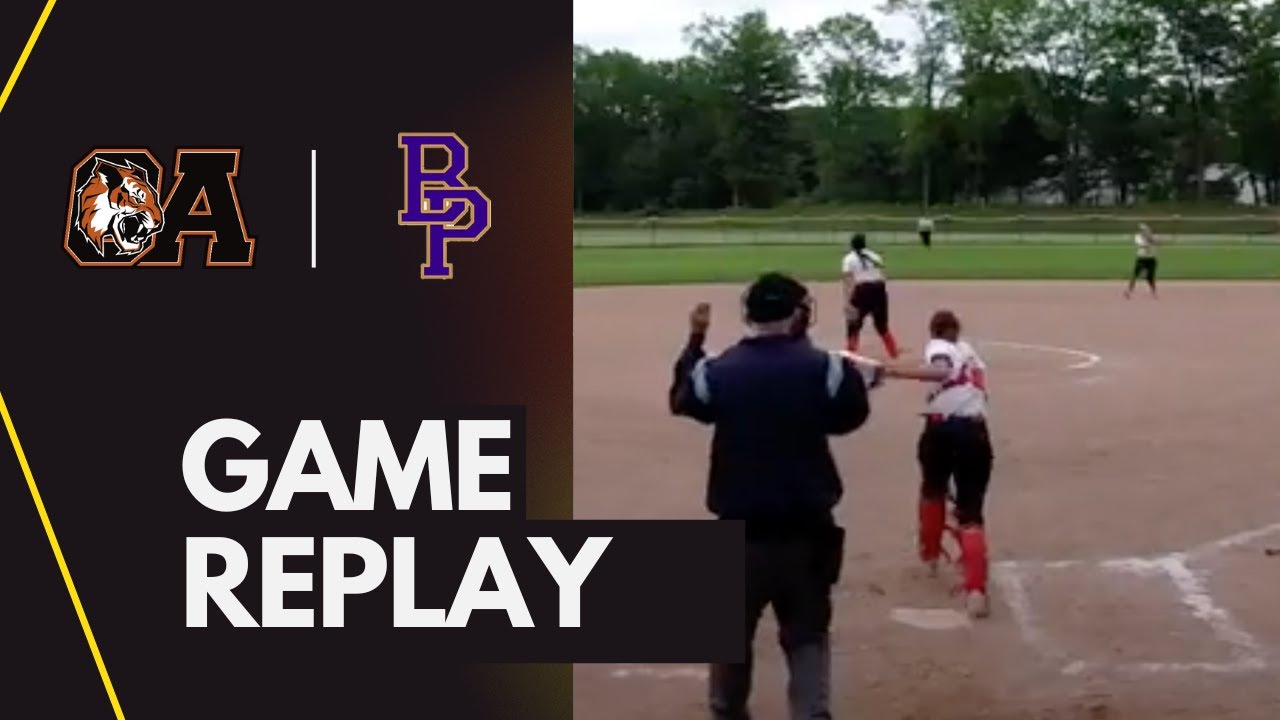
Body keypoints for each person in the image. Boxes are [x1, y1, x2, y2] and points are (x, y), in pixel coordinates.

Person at [669, 272, 880, 720]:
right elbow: (848, 416)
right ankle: (810, 712)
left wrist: (695, 339)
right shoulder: (824, 367)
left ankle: (727, 708)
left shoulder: (718, 369)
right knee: (806, 633)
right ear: (797, 314)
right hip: (807, 530)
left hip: (738, 531)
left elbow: (686, 399)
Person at [875, 310, 994, 618]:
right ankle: (976, 591)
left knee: (932, 490)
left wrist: (891, 372)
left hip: (941, 430)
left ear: (934, 333)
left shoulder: (939, 347)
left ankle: (929, 555)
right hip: (975, 431)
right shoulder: (968, 352)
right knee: (971, 509)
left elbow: (939, 370)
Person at [841, 233, 901, 359]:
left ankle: (850, 356)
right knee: (882, 325)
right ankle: (894, 353)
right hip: (879, 290)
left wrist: (848, 302)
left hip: (862, 291)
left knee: (853, 324)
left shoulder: (848, 258)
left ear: (852, 245)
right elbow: (883, 276)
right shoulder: (875, 256)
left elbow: (848, 281)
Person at [1125, 223, 1159, 299]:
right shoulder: (1138, 237)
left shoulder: (1153, 236)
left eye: (1145, 230)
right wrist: (1149, 241)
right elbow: (1142, 245)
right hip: (1141, 258)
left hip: (1151, 259)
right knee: (1135, 275)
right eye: (1142, 230)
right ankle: (1129, 291)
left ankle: (1154, 292)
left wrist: (1151, 239)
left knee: (1150, 277)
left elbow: (1157, 242)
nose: (1143, 231)